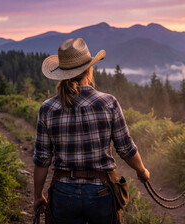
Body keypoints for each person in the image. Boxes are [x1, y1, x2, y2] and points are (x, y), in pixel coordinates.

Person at [33, 38, 150, 224]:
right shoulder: (108, 103)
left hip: (63, 192)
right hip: (101, 191)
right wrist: (142, 170)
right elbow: (125, 148)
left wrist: (38, 195)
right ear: (89, 69)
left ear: (62, 73)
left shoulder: (47, 108)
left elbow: (42, 159)